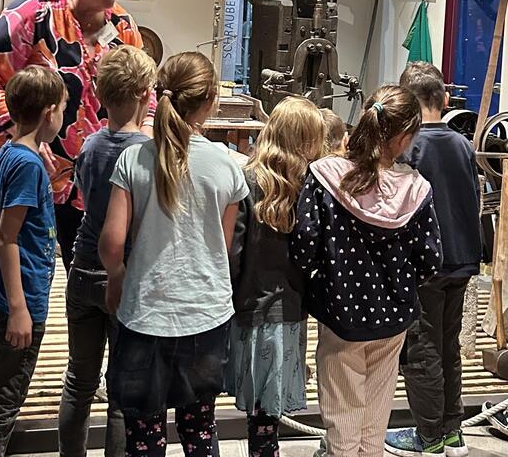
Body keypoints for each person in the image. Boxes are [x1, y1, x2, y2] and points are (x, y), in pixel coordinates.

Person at [0, 0, 153, 273]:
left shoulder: (123, 24)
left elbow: (147, 88)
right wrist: (25, 140)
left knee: (87, 278)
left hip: (86, 181)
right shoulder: (31, 13)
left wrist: (144, 128)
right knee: (13, 281)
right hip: (26, 170)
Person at [100, 52, 248, 457]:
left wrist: (116, 277)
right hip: (205, 315)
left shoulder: (133, 159)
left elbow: (112, 241)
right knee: (200, 429)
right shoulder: (226, 165)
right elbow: (224, 245)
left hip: (145, 315)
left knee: (144, 435)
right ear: (210, 100)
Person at [291, 86, 442, 457]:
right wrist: (403, 283)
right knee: (375, 423)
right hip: (393, 318)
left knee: (342, 420)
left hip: (339, 314)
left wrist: (317, 280)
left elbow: (304, 245)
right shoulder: (416, 190)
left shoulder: (325, 176)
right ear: (405, 137)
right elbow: (431, 258)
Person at [58, 45, 156, 456]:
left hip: (83, 268)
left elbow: (82, 194)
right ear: (141, 93)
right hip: (125, 275)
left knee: (78, 380)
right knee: (122, 391)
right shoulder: (146, 154)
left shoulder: (91, 145)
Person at [385, 62, 482, 457]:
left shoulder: (411, 148)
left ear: (406, 101)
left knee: (422, 350)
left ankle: (428, 435)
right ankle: (451, 428)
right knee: (448, 345)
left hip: (426, 265)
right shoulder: (463, 143)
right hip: (462, 259)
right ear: (444, 98)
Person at [0, 66, 68, 457]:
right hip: (18, 297)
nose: (64, 115)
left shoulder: (10, 150)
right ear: (49, 113)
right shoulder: (27, 165)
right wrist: (19, 309)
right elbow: (6, 237)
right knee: (5, 401)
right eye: (63, 108)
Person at [228, 97, 326, 457]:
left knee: (260, 408)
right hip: (290, 308)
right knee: (271, 407)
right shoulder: (312, 186)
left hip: (249, 306)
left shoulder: (247, 180)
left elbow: (233, 252)